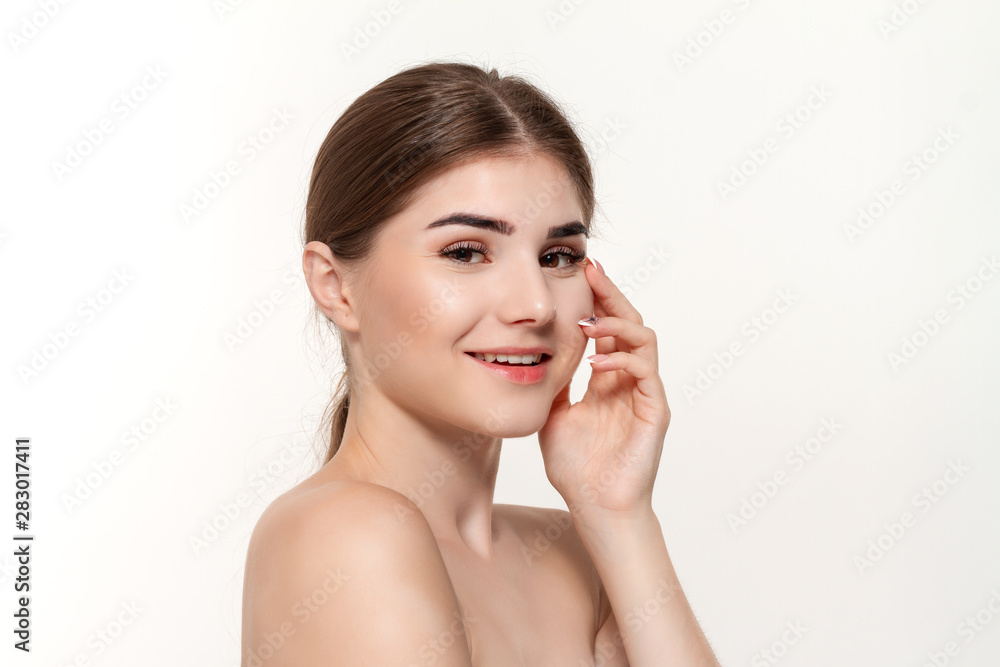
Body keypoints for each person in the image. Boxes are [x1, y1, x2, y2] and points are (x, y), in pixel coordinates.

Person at [240, 60, 720, 666]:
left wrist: (618, 514)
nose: (535, 303)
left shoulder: (572, 551)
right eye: (466, 251)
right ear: (335, 286)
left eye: (558, 255)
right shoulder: (346, 534)